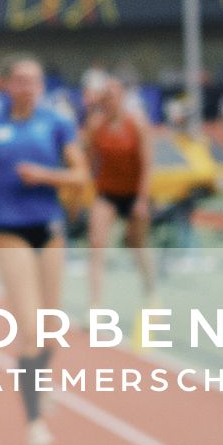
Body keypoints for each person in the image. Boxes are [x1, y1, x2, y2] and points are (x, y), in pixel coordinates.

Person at [0, 58, 90, 445]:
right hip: (9, 229)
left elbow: (81, 175)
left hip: (50, 228)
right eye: (20, 80)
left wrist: (46, 176)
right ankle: (35, 422)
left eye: (34, 81)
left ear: (42, 86)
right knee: (27, 329)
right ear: (8, 84)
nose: (26, 86)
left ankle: (41, 381)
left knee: (49, 331)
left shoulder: (57, 124)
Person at [83, 75, 157, 313]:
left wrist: (142, 200)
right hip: (107, 194)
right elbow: (90, 160)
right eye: (104, 98)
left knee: (137, 246)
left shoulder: (136, 124)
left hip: (134, 194)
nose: (108, 102)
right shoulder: (96, 126)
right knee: (96, 245)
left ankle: (151, 295)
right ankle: (96, 306)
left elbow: (146, 165)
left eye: (113, 97)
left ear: (122, 98)